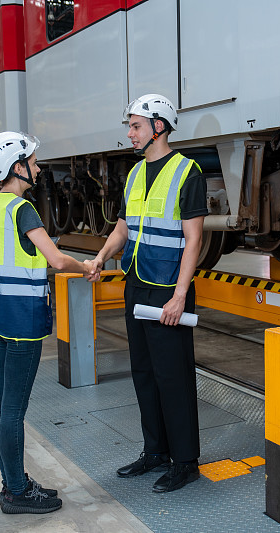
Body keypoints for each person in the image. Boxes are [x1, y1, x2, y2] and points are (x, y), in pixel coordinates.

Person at [85, 94, 208, 493]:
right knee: (144, 371)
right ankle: (155, 451)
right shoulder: (136, 173)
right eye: (130, 126)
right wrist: (101, 256)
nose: (130, 133)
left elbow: (194, 240)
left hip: (168, 288)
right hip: (137, 283)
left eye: (135, 126)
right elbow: (123, 227)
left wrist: (180, 295)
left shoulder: (187, 172)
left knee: (173, 375)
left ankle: (185, 461)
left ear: (159, 126)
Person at [0, 131, 90, 514]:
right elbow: (56, 260)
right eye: (34, 162)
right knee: (13, 411)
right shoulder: (22, 209)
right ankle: (17, 491)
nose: (39, 169)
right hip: (22, 320)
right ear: (17, 167)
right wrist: (86, 267)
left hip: (0, 316)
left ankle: (12, 482)